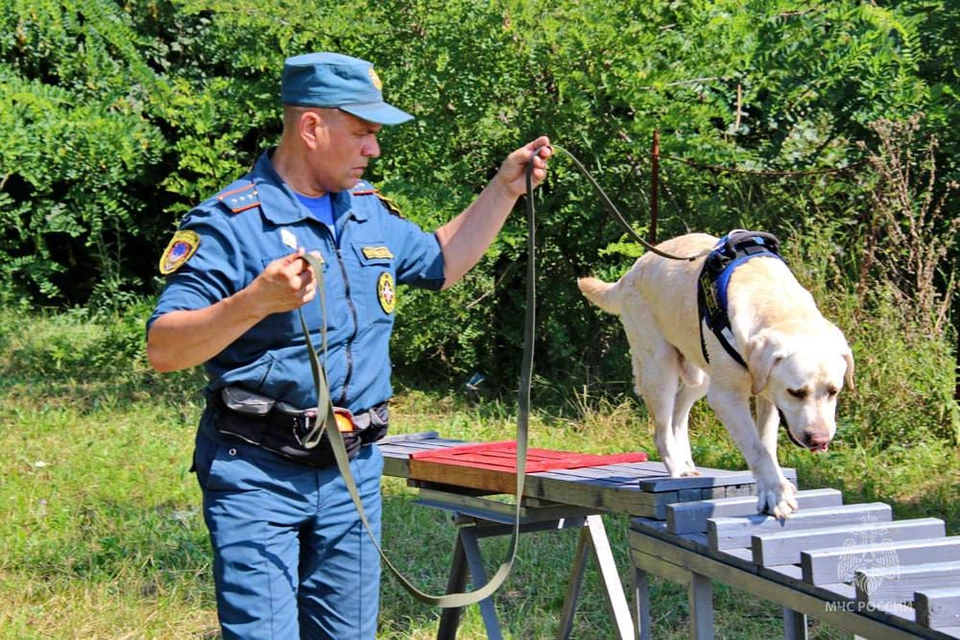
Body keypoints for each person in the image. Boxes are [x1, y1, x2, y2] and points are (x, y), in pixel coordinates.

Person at [146, 52, 550, 639]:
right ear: (312, 128)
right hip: (257, 472)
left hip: (352, 471)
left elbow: (442, 261)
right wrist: (254, 301)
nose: (373, 150)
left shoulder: (366, 214)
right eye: (362, 133)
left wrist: (504, 189)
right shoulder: (231, 223)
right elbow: (164, 348)